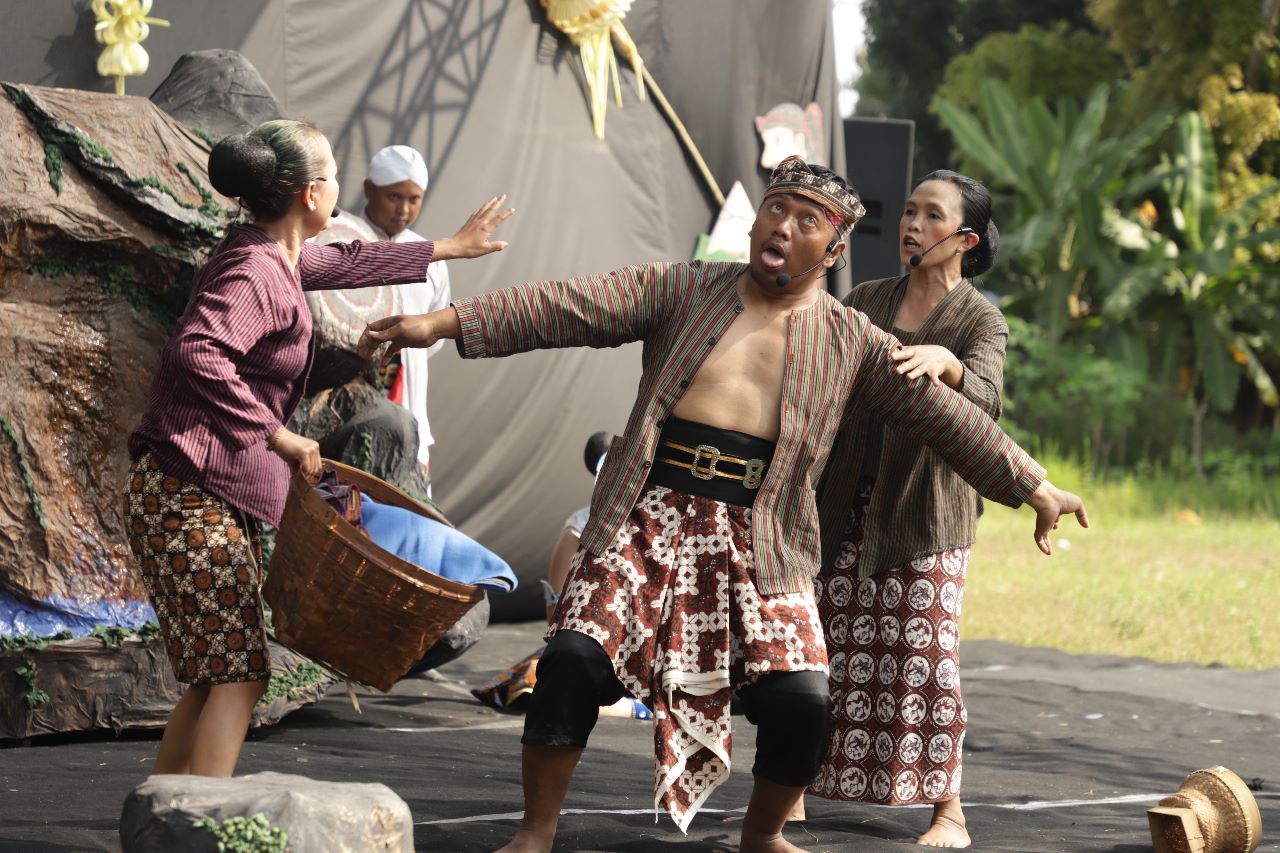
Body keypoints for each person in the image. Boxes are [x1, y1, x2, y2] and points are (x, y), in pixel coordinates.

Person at [359, 155, 1087, 853]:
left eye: (806, 219)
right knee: (574, 660)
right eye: (776, 209)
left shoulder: (849, 338)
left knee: (802, 696)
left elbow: (948, 417)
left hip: (761, 535)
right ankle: (535, 831)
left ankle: (764, 832)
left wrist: (1035, 486)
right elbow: (565, 305)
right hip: (646, 517)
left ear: (833, 248)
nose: (782, 226)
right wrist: (444, 322)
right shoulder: (684, 288)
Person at [123, 118, 512, 779]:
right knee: (239, 673)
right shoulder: (255, 268)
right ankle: (201, 814)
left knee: (218, 673)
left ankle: (167, 810)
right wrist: (279, 434)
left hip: (205, 495)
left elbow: (350, 261)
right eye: (332, 174)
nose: (338, 186)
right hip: (184, 495)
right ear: (309, 194)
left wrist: (445, 248)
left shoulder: (278, 254)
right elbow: (198, 350)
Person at [806, 170, 1008, 848]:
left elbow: (986, 400)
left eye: (931, 215)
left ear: (965, 238)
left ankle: (949, 810)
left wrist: (948, 366)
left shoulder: (981, 319)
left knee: (926, 661)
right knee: (817, 651)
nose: (911, 224)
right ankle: (793, 783)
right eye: (908, 211)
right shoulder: (865, 298)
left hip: (926, 518)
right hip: (842, 507)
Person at [357, 145, 452, 481]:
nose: (404, 209)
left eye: (415, 199)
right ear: (369, 189)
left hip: (408, 398)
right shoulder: (343, 240)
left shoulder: (431, 258)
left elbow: (436, 333)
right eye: (394, 196)